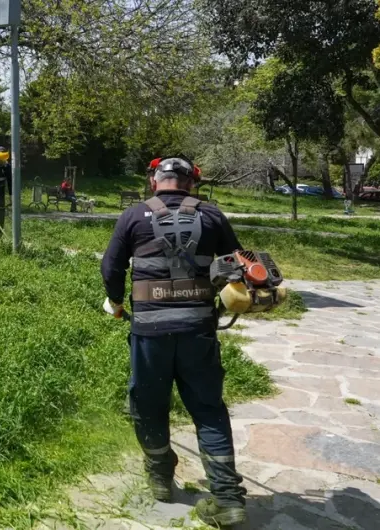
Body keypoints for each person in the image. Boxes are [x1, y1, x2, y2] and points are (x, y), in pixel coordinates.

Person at [100, 157, 247, 528]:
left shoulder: (133, 216)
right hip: (198, 331)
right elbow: (237, 265)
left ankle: (161, 479)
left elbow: (111, 268)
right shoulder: (212, 215)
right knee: (208, 408)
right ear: (191, 184)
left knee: (148, 404)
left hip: (149, 333)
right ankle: (228, 498)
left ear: (154, 181)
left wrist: (116, 303)